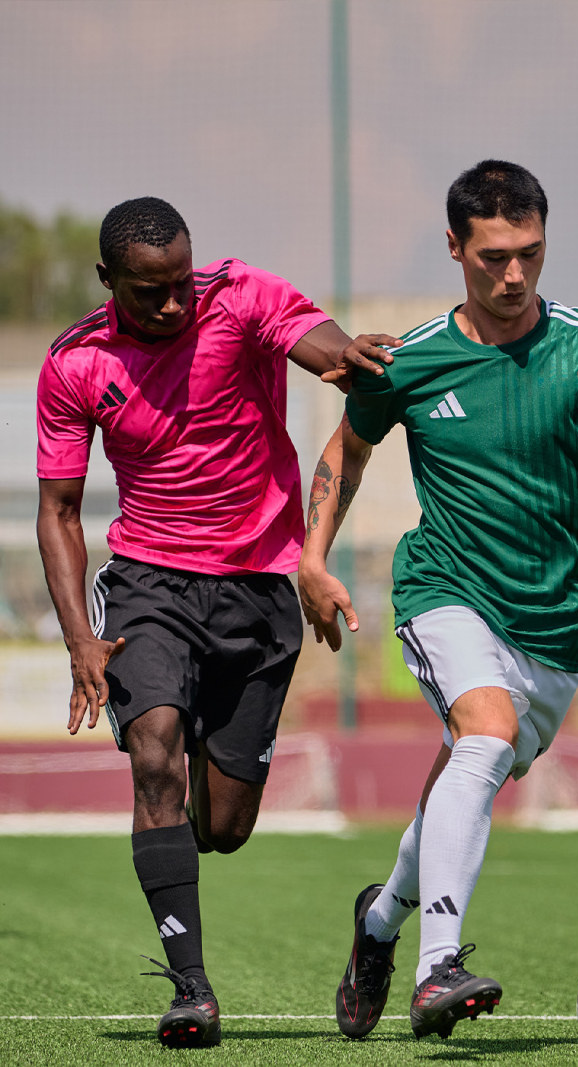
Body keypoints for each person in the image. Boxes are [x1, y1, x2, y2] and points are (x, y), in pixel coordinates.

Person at [298, 160, 578, 1041]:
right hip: (447, 587)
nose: (514, 276)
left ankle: (378, 922)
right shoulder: (412, 358)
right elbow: (346, 451)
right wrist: (311, 557)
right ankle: (439, 966)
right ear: (455, 248)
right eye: (494, 257)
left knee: (472, 765)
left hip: (558, 624)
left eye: (531, 255)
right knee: (486, 732)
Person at [35, 196, 397, 1048]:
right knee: (153, 752)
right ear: (107, 281)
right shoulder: (76, 362)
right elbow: (59, 511)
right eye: (149, 291)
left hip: (259, 587)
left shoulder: (240, 298)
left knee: (223, 829)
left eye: (180, 284)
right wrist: (79, 638)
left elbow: (321, 345)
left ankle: (197, 789)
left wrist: (347, 355)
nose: (173, 304)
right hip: (149, 585)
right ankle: (190, 985)